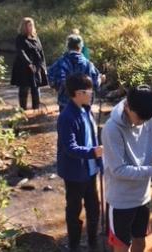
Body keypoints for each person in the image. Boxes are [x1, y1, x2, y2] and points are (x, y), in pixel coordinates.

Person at [102, 85, 152, 252]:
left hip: (143, 197)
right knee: (121, 247)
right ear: (128, 105)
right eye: (139, 118)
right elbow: (119, 170)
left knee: (140, 244)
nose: (141, 123)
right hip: (120, 200)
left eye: (145, 119)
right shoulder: (112, 129)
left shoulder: (149, 119)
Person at [56, 73, 104, 252]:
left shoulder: (86, 109)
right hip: (74, 174)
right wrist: (92, 152)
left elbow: (92, 137)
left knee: (94, 209)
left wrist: (98, 158)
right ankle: (74, 245)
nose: (91, 93)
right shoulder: (66, 117)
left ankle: (93, 242)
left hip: (91, 171)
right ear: (78, 93)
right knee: (74, 211)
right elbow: (69, 148)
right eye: (88, 90)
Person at [48, 33, 105, 112]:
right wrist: (101, 80)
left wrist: (58, 88)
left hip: (65, 104)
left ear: (68, 47)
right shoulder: (88, 64)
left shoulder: (60, 62)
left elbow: (51, 78)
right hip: (83, 105)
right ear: (80, 47)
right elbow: (94, 84)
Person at [11, 17, 48, 110]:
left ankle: (36, 109)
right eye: (29, 25)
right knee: (24, 88)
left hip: (36, 65)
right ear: (24, 27)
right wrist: (29, 64)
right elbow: (21, 52)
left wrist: (43, 66)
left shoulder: (35, 37)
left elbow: (41, 52)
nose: (31, 27)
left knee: (36, 88)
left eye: (32, 25)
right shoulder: (20, 38)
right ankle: (22, 110)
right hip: (23, 66)